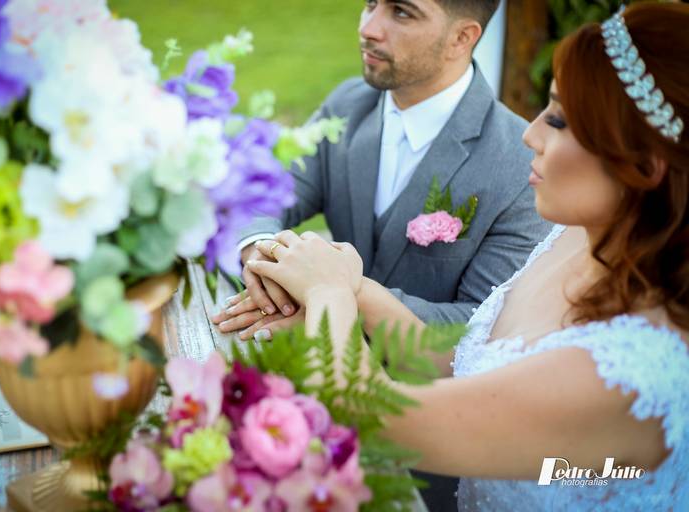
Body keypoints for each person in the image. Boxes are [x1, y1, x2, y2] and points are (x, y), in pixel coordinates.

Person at [244, 3, 689, 510]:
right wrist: (354, 290)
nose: (531, 134)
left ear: (646, 166)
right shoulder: (573, 239)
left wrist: (328, 291)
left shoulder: (627, 376)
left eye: (560, 120)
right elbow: (472, 360)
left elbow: (377, 419)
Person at [214, 0, 550, 337]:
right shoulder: (347, 104)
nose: (368, 29)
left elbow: (484, 323)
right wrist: (260, 251)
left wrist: (326, 296)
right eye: (371, 3)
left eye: (402, 12)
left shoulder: (521, 168)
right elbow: (264, 194)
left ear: (461, 38)